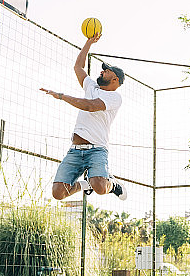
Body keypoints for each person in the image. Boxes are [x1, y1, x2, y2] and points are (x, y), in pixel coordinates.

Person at [40, 33, 128, 201]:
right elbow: (78, 67)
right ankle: (86, 184)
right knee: (58, 192)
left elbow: (90, 106)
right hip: (75, 150)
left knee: (101, 187)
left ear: (115, 79)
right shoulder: (92, 87)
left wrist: (61, 96)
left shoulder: (115, 97)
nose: (102, 71)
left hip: (97, 150)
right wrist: (89, 43)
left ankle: (113, 184)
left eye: (107, 71)